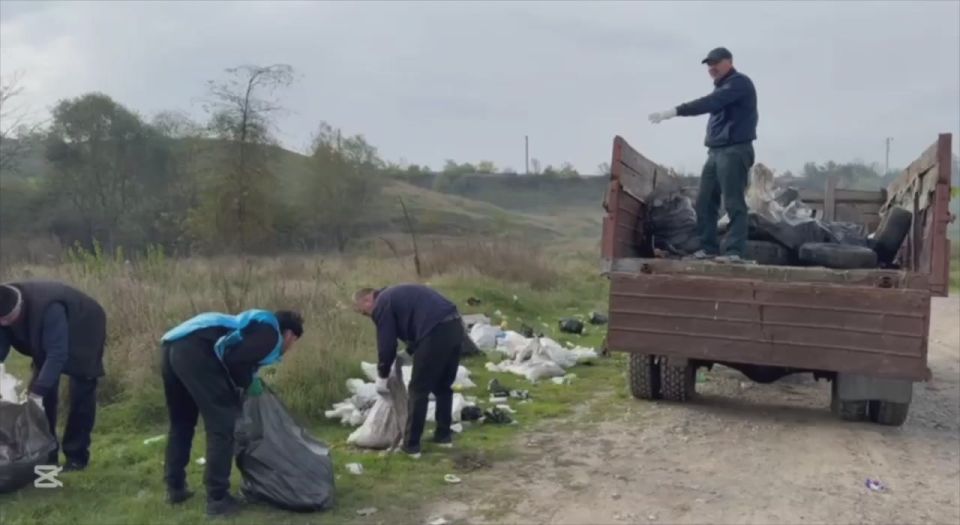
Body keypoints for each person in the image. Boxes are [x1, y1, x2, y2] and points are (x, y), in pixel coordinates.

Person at [159, 309, 303, 517]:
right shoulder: (271, 333)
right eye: (293, 343)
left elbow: (233, 354)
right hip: (196, 351)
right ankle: (218, 499)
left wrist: (242, 382)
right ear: (289, 335)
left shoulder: (251, 325)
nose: (289, 348)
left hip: (172, 347)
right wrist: (245, 383)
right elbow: (234, 360)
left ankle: (175, 488)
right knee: (222, 426)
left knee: (182, 423)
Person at [649, 46, 759, 263]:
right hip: (715, 151)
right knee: (705, 200)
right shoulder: (721, 89)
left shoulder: (739, 84)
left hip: (735, 149)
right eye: (709, 64)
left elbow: (709, 103)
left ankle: (735, 252)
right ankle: (708, 248)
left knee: (733, 201)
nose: (712, 68)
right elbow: (714, 103)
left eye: (716, 63)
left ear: (729, 61)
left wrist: (674, 111)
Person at [0, 281, 106, 471]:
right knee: (40, 399)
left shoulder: (49, 308)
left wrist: (38, 392)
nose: (4, 324)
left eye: (7, 320)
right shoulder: (3, 305)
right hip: (45, 333)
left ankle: (76, 456)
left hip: (83, 327)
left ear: (20, 308)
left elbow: (57, 353)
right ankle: (47, 455)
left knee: (80, 389)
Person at [353, 285, 462, 457]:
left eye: (364, 312)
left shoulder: (382, 303)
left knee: (418, 389)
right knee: (442, 387)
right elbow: (418, 319)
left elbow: (387, 345)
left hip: (435, 332)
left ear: (367, 300)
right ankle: (443, 436)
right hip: (455, 326)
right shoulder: (395, 296)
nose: (368, 317)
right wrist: (409, 351)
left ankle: (411, 447)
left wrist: (382, 374)